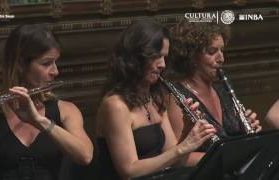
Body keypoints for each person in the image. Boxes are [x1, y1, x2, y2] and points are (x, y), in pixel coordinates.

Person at [0, 24, 93, 180]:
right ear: (20, 65)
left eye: (56, 62)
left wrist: (39, 121)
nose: (55, 71)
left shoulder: (66, 110)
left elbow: (85, 156)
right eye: (46, 63)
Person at [94, 20, 216, 180]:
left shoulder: (153, 98)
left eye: (164, 57)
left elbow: (174, 160)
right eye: (156, 57)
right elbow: (129, 171)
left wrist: (188, 130)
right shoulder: (115, 105)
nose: (162, 65)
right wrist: (183, 148)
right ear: (135, 57)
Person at [167, 20, 262, 163]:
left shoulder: (223, 91)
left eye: (221, 50)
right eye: (212, 52)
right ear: (192, 56)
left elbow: (234, 142)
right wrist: (231, 157)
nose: (221, 58)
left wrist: (247, 131)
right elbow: (177, 158)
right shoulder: (176, 97)